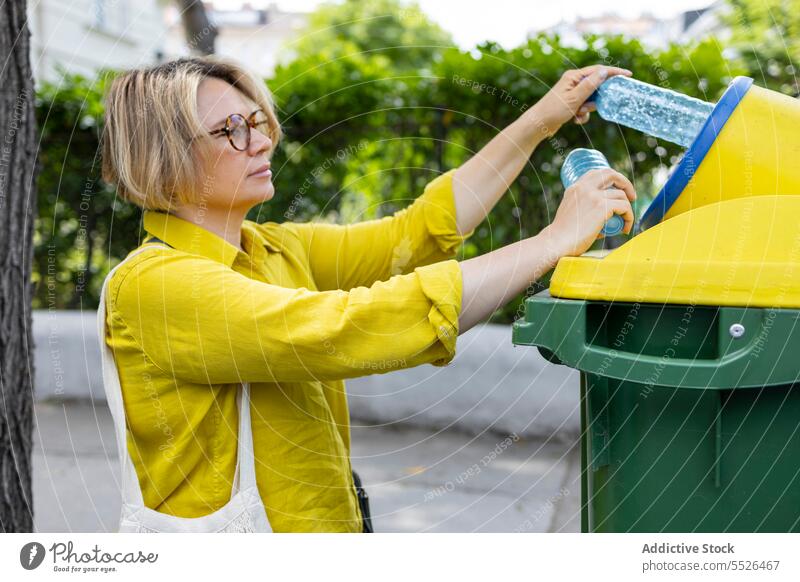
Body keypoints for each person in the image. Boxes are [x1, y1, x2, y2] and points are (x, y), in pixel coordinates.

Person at [100, 56, 635, 533]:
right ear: (162, 157)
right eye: (231, 130)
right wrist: (552, 242)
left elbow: (418, 233)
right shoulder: (154, 285)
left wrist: (545, 116)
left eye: (257, 121)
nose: (261, 141)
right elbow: (343, 327)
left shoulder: (278, 249)